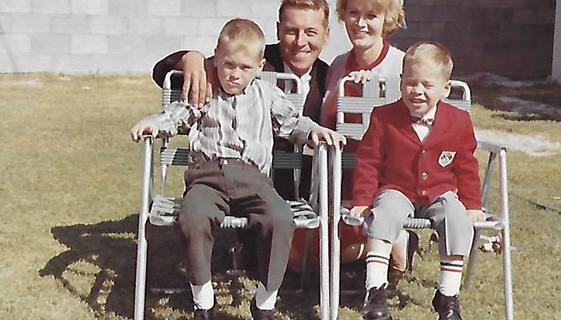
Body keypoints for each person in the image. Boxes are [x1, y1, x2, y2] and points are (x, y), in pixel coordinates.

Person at [130, 18, 344, 320]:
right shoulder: (205, 92)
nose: (233, 74)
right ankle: (203, 303)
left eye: (244, 68)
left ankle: (264, 302)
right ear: (216, 57)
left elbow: (293, 123)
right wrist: (154, 123)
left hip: (254, 180)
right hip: (207, 178)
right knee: (193, 217)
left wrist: (313, 132)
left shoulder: (267, 94)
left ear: (259, 66)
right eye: (228, 64)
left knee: (281, 218)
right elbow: (177, 115)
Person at [349, 41, 484, 320]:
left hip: (439, 192)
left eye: (427, 85)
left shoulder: (458, 121)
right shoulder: (384, 117)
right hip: (396, 190)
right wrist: (363, 200)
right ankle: (375, 292)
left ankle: (447, 297)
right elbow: (368, 162)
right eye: (410, 83)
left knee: (456, 218)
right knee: (384, 212)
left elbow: (466, 167)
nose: (417, 91)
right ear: (401, 82)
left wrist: (471, 204)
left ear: (445, 89)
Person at [313, 0, 416, 273]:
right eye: (353, 13)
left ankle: (389, 240)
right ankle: (384, 244)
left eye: (371, 15)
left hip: (384, 183)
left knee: (327, 256)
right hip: (338, 182)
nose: (360, 23)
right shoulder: (336, 66)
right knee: (301, 256)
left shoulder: (402, 65)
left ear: (388, 19)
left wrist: (371, 96)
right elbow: (326, 124)